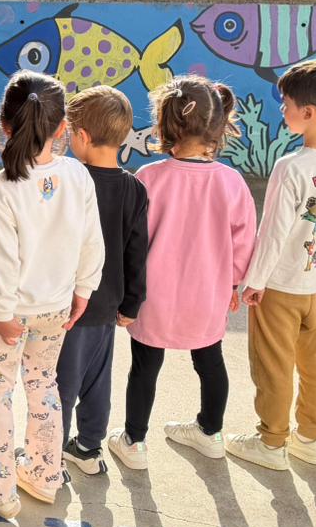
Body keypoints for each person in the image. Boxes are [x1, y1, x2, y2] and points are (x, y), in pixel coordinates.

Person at [0, 71, 105, 518]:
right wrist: (85, 288)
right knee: (44, 385)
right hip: (56, 308)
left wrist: (3, 314)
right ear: (63, 126)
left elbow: (2, 260)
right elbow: (91, 241)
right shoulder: (77, 176)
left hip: (12, 312)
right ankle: (45, 475)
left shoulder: (2, 188)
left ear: (4, 125)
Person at [107, 76, 256, 471]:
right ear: (219, 126)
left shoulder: (149, 178)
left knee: (144, 367)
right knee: (210, 362)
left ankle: (134, 441)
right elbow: (245, 241)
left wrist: (125, 295)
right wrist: (236, 283)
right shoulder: (232, 182)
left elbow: (130, 245)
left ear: (165, 123)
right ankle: (211, 433)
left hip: (154, 299)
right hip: (207, 296)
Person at [230, 60, 316, 471]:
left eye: (286, 103)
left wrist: (253, 280)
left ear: (308, 113)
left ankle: (271, 442)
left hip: (281, 287)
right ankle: (309, 437)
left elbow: (273, 232)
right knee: (314, 364)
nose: (281, 110)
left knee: (272, 366)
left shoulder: (291, 167)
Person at [56, 86, 148, 480]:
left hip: (69, 300)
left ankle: (48, 451)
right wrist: (131, 303)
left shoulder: (69, 180)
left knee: (60, 380)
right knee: (96, 379)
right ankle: (89, 447)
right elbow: (136, 250)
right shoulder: (133, 187)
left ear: (82, 136)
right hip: (108, 303)